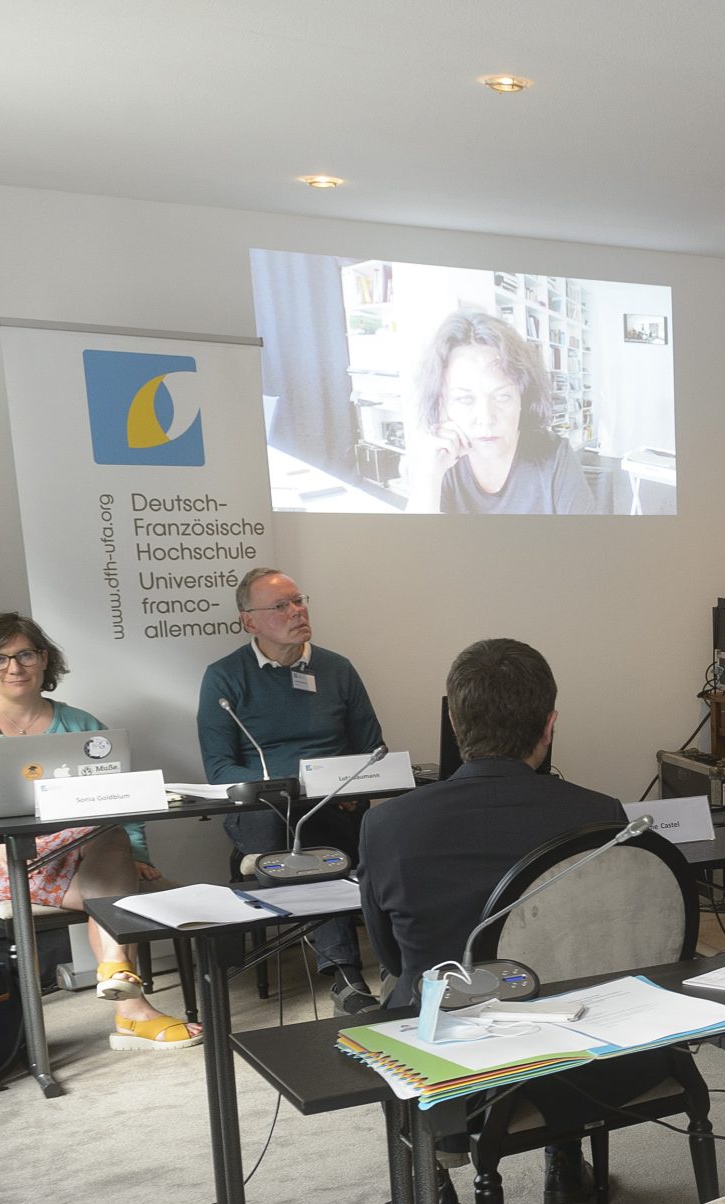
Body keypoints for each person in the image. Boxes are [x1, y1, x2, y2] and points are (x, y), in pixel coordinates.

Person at [358, 638, 653, 1204]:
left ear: (454, 722)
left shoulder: (387, 824)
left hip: (455, 1049)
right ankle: (564, 1159)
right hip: (575, 1040)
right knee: (570, 966)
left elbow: (390, 953)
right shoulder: (603, 816)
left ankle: (429, 1183)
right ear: (549, 726)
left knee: (403, 984)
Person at [0, 613, 199, 1050]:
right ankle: (129, 1002)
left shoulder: (83, 724)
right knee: (114, 872)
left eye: (26, 655)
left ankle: (124, 986)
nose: (14, 667)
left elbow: (122, 800)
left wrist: (139, 853)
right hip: (2, 857)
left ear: (44, 659)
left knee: (108, 832)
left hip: (86, 851)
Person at [195, 567, 385, 1014]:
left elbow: (373, 748)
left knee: (328, 833)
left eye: (299, 601)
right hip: (264, 811)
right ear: (249, 621)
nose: (297, 611)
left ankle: (391, 965)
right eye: (281, 605)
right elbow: (219, 768)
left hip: (335, 804)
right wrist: (297, 782)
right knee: (307, 839)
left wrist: (347, 788)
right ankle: (346, 975)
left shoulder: (337, 669)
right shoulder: (224, 677)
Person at [401, 310, 599, 516]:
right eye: (465, 399)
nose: (486, 418)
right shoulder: (440, 464)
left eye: (502, 396)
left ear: (522, 397)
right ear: (442, 403)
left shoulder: (555, 457)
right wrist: (430, 475)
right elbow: (417, 537)